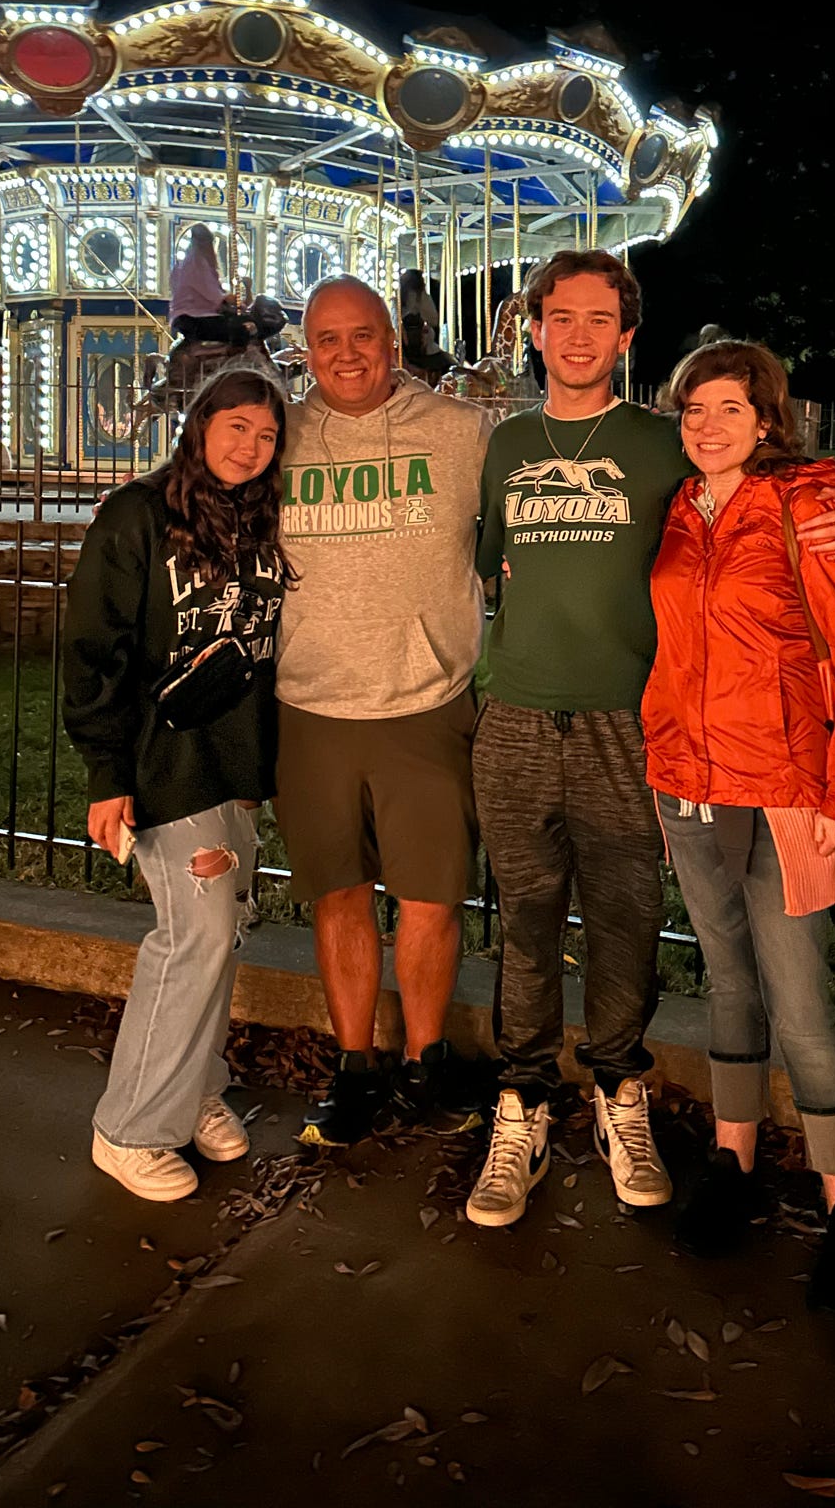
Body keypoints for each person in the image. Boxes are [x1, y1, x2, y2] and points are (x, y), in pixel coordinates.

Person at [467, 251, 835, 1229]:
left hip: (630, 724)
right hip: (516, 712)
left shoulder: (662, 444)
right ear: (533, 326)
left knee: (624, 923)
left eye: (599, 319)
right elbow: (491, 565)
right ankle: (519, 1106)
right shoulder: (507, 444)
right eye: (559, 317)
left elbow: (771, 474)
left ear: (627, 335)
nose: (577, 335)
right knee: (523, 921)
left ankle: (618, 1092)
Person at [642, 340, 835, 1317]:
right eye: (692, 410)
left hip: (788, 792)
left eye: (727, 411)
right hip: (692, 788)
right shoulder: (677, 510)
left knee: (801, 1008)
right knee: (729, 984)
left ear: (767, 422)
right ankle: (734, 1162)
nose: (705, 427)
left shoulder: (803, 512)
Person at [62, 367, 289, 1201]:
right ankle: (129, 1128)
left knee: (221, 933)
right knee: (190, 936)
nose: (250, 446)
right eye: (235, 427)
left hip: (232, 762)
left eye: (266, 436)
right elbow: (95, 649)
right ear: (198, 426)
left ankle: (192, 1086)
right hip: (166, 760)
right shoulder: (137, 515)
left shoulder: (256, 517)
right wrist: (106, 773)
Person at [277, 276, 493, 1145]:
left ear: (392, 343)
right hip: (312, 704)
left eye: (363, 335)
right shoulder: (280, 436)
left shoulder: (459, 434)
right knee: (339, 895)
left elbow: (553, 510)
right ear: (306, 350)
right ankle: (357, 1063)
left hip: (425, 700)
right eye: (327, 340)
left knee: (432, 896)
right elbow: (191, 491)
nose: (347, 354)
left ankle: (427, 1060)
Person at [170, 222, 249, 346]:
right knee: (242, 330)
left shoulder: (181, 265)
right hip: (195, 318)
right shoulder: (198, 264)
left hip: (182, 317)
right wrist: (237, 301)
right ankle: (229, 363)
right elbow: (213, 295)